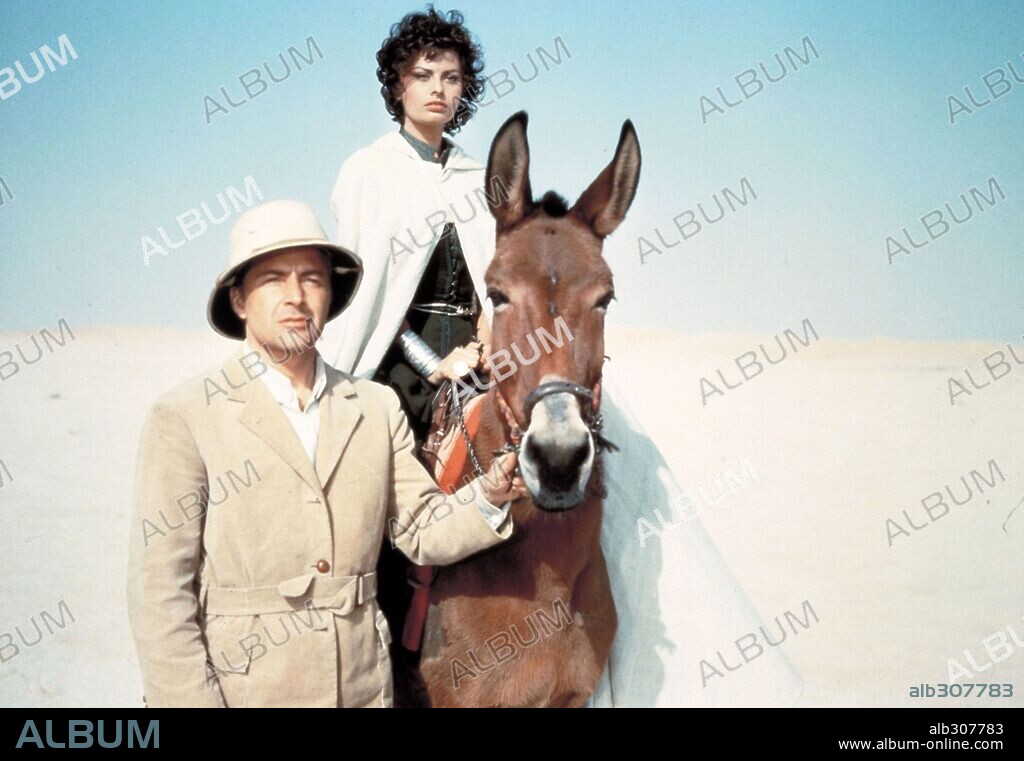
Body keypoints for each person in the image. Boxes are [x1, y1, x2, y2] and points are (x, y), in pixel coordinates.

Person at [318, 7, 803, 706]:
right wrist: (435, 361)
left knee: (622, 456)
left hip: (499, 350)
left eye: (451, 78)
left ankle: (636, 646)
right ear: (396, 85)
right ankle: (380, 654)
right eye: (422, 75)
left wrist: (492, 340)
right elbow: (370, 297)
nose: (437, 90)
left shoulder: (475, 176)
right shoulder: (369, 172)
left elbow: (508, 281)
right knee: (368, 495)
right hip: (402, 360)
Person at [126, 199, 524, 708]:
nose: (296, 295)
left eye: (312, 279)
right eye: (273, 279)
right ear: (239, 300)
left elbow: (422, 528)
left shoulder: (376, 407)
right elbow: (160, 593)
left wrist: (488, 496)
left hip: (362, 690)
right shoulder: (185, 416)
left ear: (331, 296)